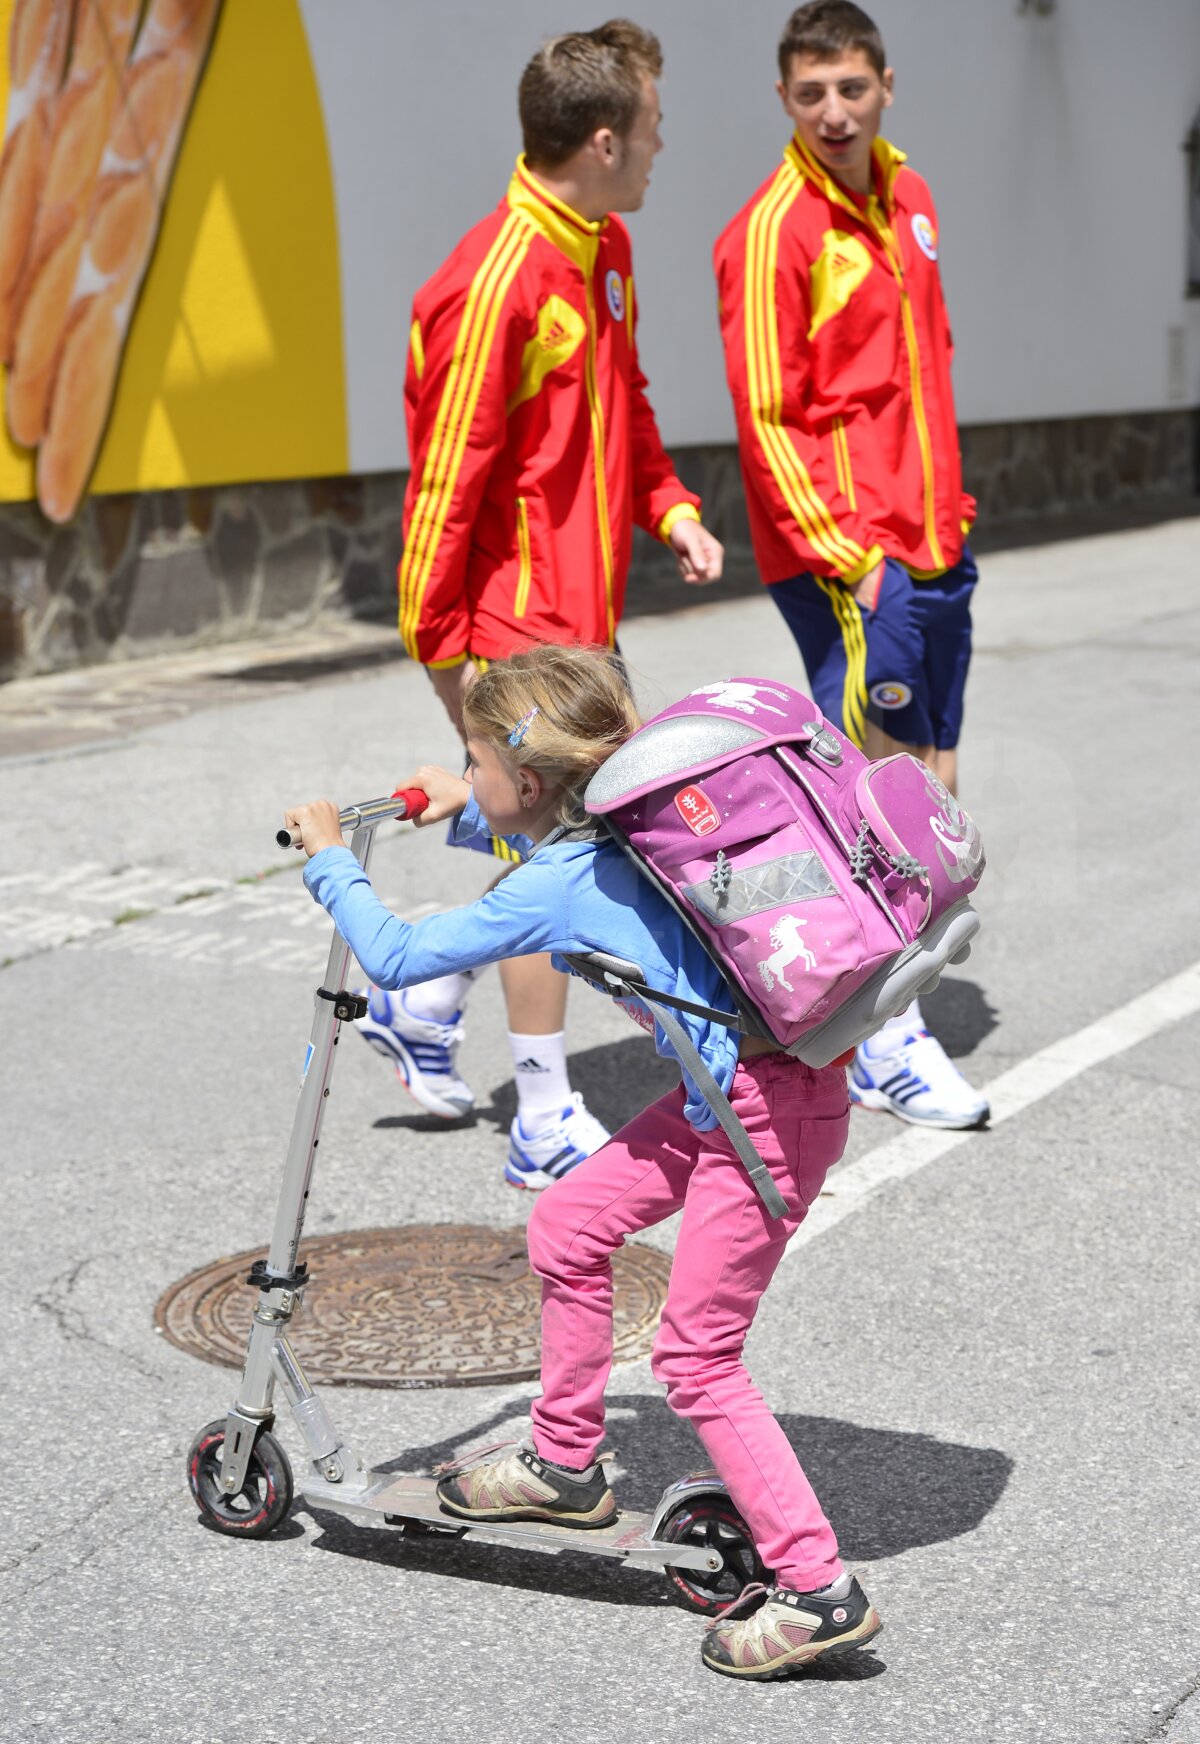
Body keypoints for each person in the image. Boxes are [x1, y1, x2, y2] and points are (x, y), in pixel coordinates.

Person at [284, 644, 881, 1681]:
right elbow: (550, 844)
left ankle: (818, 1588)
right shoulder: (628, 824)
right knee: (568, 1222)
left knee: (697, 1360)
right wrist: (452, 803)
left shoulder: (560, 881)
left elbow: (395, 956)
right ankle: (562, 1463)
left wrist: (329, 854)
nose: (465, 776)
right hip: (742, 1093)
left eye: (471, 760)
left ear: (529, 778)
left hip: (761, 1115)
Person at [362, 19, 724, 1187]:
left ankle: (423, 989)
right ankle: (542, 1113)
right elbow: (443, 489)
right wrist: (447, 662)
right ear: (606, 138)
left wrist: (666, 504)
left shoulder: (603, 246)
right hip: (515, 634)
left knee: (559, 844)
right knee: (566, 856)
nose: (667, 145)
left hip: (583, 616)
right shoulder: (496, 278)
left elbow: (627, 400)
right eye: (656, 128)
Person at [713, 0, 987, 1130]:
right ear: (784, 99)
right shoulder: (771, 230)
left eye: (852, 88)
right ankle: (882, 1036)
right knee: (876, 790)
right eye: (811, 92)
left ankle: (887, 996)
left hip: (934, 536)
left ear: (884, 87)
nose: (834, 111)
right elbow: (766, 414)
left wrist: (950, 517)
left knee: (933, 782)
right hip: (853, 555)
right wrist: (853, 556)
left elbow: (929, 356)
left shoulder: (909, 196)